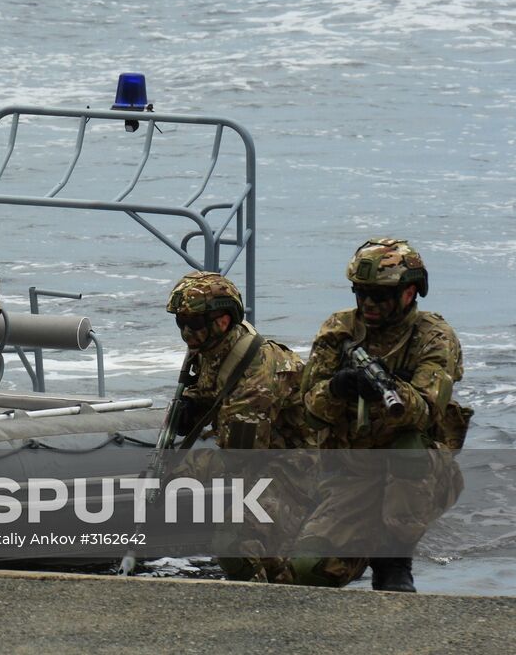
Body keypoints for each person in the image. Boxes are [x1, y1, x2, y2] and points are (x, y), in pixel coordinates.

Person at [289, 238, 470, 592]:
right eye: (362, 293)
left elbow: (425, 411)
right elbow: (308, 411)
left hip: (418, 472)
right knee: (308, 569)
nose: (369, 303)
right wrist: (338, 388)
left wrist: (389, 388)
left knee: (409, 448)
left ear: (410, 292)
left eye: (380, 295)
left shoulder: (433, 337)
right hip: (353, 473)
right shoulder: (339, 331)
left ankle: (395, 559)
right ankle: (368, 542)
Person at [164, 271, 312, 582]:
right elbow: (209, 393)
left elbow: (240, 456)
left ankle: (263, 594)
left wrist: (182, 472)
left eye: (194, 322)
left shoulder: (256, 372)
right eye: (181, 323)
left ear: (222, 320)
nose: (187, 332)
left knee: (234, 543)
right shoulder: (212, 350)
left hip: (298, 467)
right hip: (267, 458)